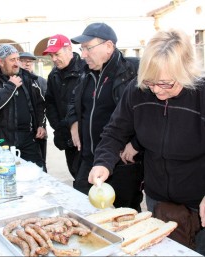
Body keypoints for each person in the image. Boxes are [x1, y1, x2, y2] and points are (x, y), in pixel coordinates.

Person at [88, 28, 205, 255]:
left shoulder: (201, 95)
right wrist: (103, 162)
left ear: (186, 71)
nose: (157, 91)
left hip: (198, 198)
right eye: (151, 83)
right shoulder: (137, 91)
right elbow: (114, 132)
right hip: (158, 199)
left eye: (167, 84)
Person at [66, 22, 143, 211]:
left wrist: (135, 143)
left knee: (124, 215)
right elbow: (73, 102)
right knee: (83, 209)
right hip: (88, 159)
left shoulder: (133, 72)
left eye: (87, 48)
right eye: (82, 49)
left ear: (108, 46)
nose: (83, 54)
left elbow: (148, 114)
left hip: (120, 163)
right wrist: (73, 123)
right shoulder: (85, 74)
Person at [0, 44, 46, 169]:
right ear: (1, 62)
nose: (17, 63)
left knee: (38, 172)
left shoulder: (26, 78)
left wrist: (41, 124)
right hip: (2, 141)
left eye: (17, 59)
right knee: (6, 177)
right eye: (12, 60)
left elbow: (39, 103)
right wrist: (10, 87)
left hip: (28, 139)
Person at [43, 34, 85, 178]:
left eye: (57, 54)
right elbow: (50, 103)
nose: (54, 59)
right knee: (75, 172)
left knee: (85, 180)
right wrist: (59, 126)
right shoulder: (53, 75)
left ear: (69, 49)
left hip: (85, 136)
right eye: (51, 55)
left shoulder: (86, 69)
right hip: (66, 137)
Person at [19, 51, 48, 171]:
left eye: (29, 61)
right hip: (23, 133)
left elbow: (46, 105)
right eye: (23, 61)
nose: (27, 64)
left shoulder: (40, 81)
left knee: (40, 162)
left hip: (39, 130)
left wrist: (42, 125)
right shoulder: (14, 82)